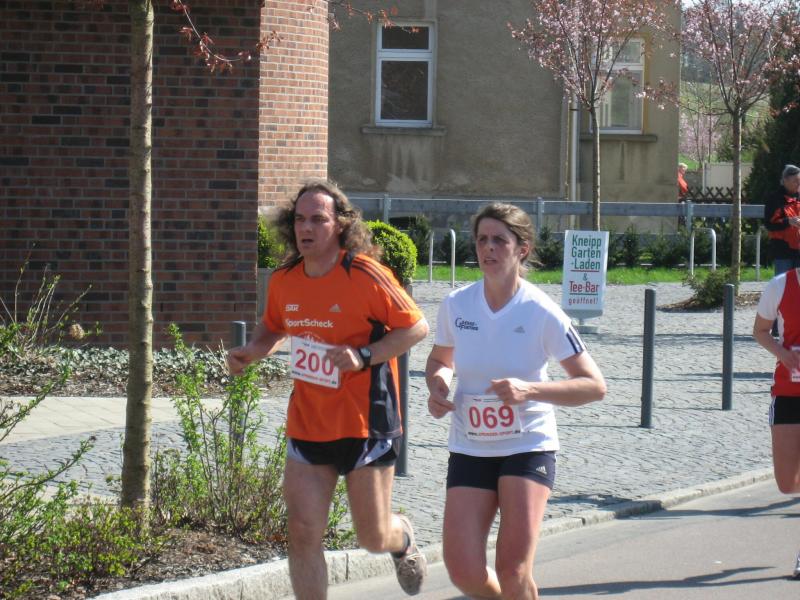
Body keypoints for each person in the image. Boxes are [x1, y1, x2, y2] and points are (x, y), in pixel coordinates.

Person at [227, 180, 429, 598]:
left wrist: (364, 355)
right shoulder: (284, 279)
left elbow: (416, 327)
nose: (306, 228)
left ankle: (402, 536)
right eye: (300, 219)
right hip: (309, 422)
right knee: (302, 531)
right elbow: (273, 327)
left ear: (339, 225)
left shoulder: (364, 274)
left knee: (372, 536)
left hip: (366, 421)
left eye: (318, 219)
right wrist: (253, 351)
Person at [425, 203, 606, 599]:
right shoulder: (456, 304)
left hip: (527, 446)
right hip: (471, 445)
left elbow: (594, 385)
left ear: (522, 249)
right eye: (481, 240)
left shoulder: (542, 311)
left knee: (513, 569)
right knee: (463, 570)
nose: (488, 248)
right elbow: (440, 360)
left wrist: (530, 390)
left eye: (499, 240)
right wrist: (438, 386)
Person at [753, 264, 800, 578]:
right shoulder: (780, 286)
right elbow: (760, 331)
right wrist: (782, 353)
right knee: (787, 483)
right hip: (789, 391)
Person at [764, 164, 800, 277]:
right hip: (783, 251)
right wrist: (788, 221)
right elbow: (769, 224)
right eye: (796, 181)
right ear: (785, 180)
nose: (799, 183)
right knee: (783, 284)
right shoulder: (774, 199)